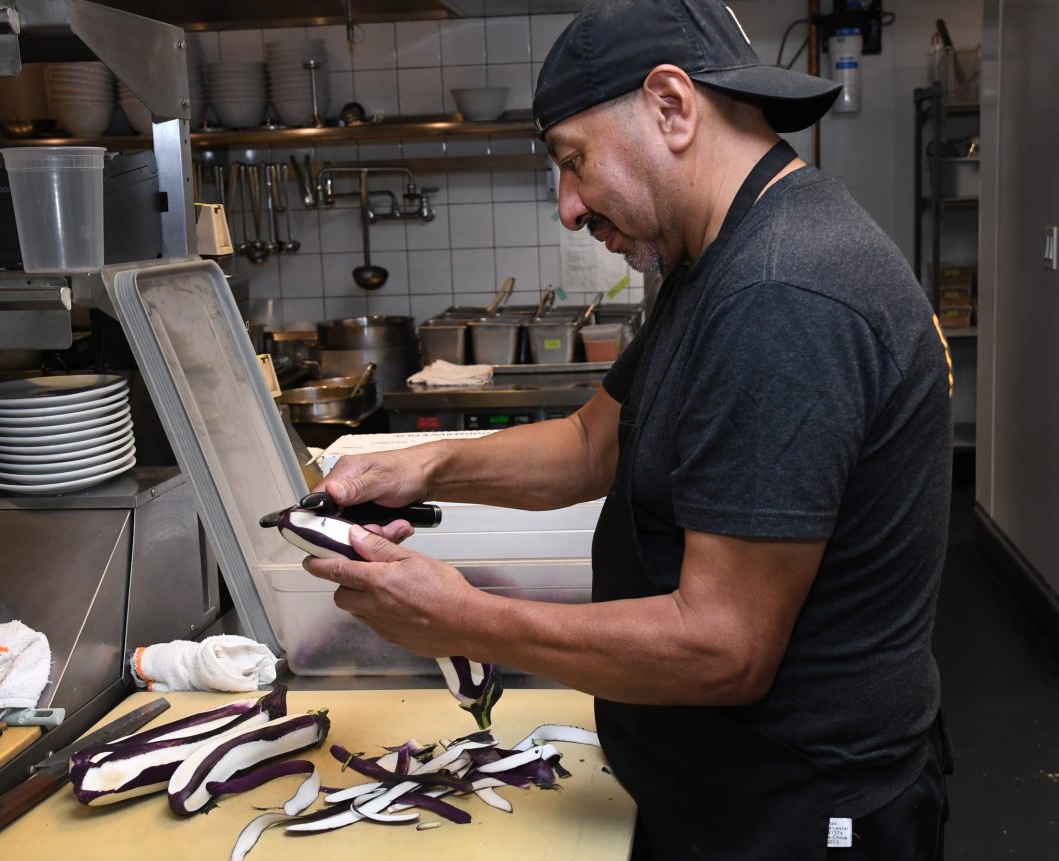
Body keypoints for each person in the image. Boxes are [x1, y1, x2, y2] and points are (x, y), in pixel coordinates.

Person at [303, 1, 953, 857]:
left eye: (574, 162)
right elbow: (591, 445)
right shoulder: (714, 257)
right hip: (719, 788)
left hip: (799, 808)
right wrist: (420, 466)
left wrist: (462, 617)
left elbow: (723, 648)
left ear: (673, 107)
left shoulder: (780, 295)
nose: (568, 208)